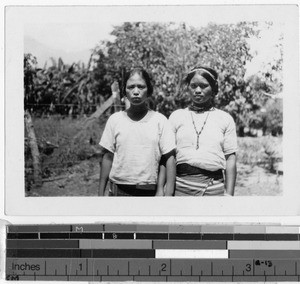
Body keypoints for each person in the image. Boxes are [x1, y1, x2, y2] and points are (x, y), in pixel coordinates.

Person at [99, 67, 176, 196]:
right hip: (119, 191)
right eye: (131, 87)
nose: (135, 92)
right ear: (124, 91)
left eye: (141, 87)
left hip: (149, 191)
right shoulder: (115, 120)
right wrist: (100, 194)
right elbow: (107, 157)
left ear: (149, 90)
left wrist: (164, 192)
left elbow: (169, 158)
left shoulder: (160, 121)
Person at [168, 66, 237, 196]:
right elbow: (168, 157)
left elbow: (230, 159)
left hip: (213, 188)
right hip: (181, 186)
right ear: (188, 87)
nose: (198, 90)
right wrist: (168, 192)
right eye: (193, 86)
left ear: (213, 89)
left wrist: (229, 195)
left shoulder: (224, 119)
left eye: (204, 86)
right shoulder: (177, 116)